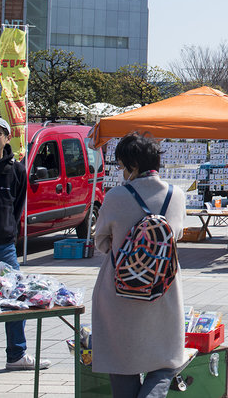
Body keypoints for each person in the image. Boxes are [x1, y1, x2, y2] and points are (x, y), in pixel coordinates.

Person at [92, 132, 185, 397]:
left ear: (132, 166)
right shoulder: (176, 195)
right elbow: (175, 236)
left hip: (120, 288)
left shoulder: (116, 196)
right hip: (163, 287)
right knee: (165, 363)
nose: (121, 171)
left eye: (122, 165)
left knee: (122, 363)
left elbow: (101, 242)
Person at [0, 117, 50, 372]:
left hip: (4, 247)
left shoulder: (17, 169)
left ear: (6, 137)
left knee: (15, 299)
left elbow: (17, 208)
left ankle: (16, 355)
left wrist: (9, 233)